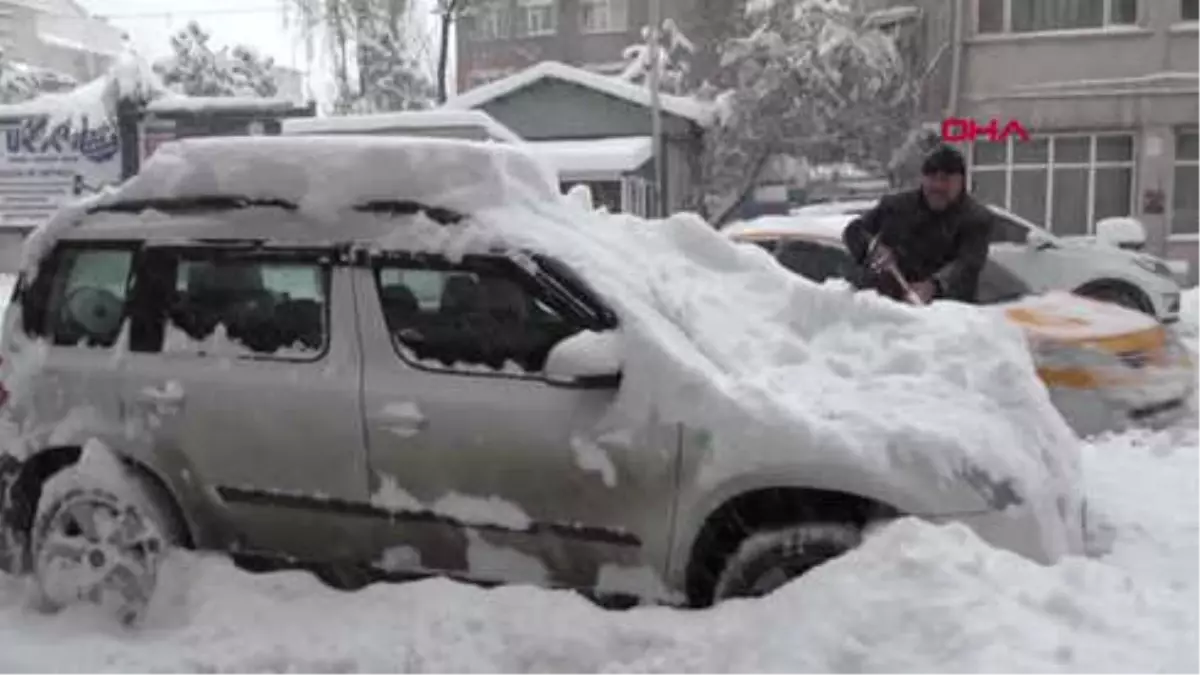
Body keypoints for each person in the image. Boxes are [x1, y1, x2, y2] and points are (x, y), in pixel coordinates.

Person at [842, 144, 994, 304]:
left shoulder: (976, 218)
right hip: (885, 311)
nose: (938, 186)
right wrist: (872, 250)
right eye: (932, 179)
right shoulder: (896, 206)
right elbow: (854, 231)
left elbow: (967, 264)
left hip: (948, 317)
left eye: (945, 180)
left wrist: (934, 286)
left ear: (962, 182)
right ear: (923, 179)